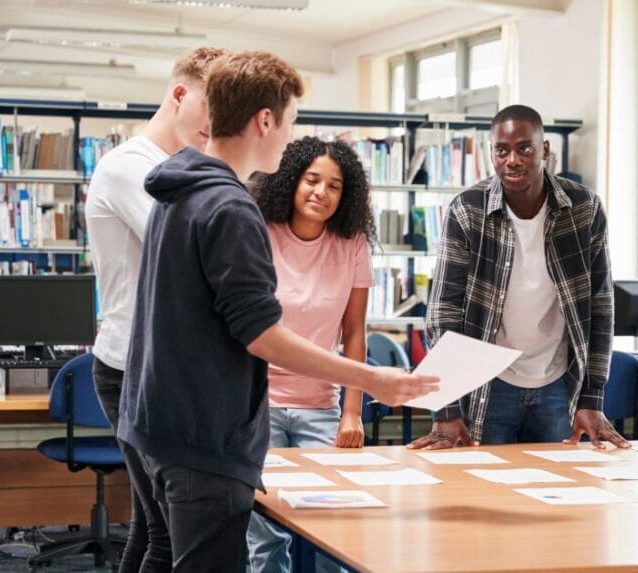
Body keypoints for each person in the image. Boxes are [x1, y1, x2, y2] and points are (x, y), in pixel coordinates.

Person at [118, 51, 438, 570]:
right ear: (264, 119)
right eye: (290, 122)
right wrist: (372, 380)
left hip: (155, 424)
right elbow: (261, 334)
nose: (290, 136)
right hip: (204, 437)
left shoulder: (177, 190)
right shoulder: (229, 207)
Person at [409, 104, 628, 450]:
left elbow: (601, 308)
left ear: (544, 150)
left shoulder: (584, 209)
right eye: (502, 150)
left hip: (558, 383)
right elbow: (443, 312)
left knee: (556, 493)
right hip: (488, 385)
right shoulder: (468, 210)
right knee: (481, 491)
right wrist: (447, 407)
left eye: (524, 148)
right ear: (491, 153)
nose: (512, 159)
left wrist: (592, 396)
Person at [85, 46, 226, 572]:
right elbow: (194, 254)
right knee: (170, 534)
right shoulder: (132, 167)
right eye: (212, 109)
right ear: (179, 94)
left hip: (156, 366)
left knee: (152, 527)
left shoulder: (176, 168)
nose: (217, 125)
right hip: (131, 367)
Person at [246, 137, 376, 572]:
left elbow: (355, 331)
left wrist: (352, 412)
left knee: (335, 534)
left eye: (335, 186)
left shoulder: (352, 242)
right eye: (312, 180)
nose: (322, 192)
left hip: (321, 406)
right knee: (265, 542)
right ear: (291, 182)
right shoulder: (260, 232)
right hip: (258, 406)